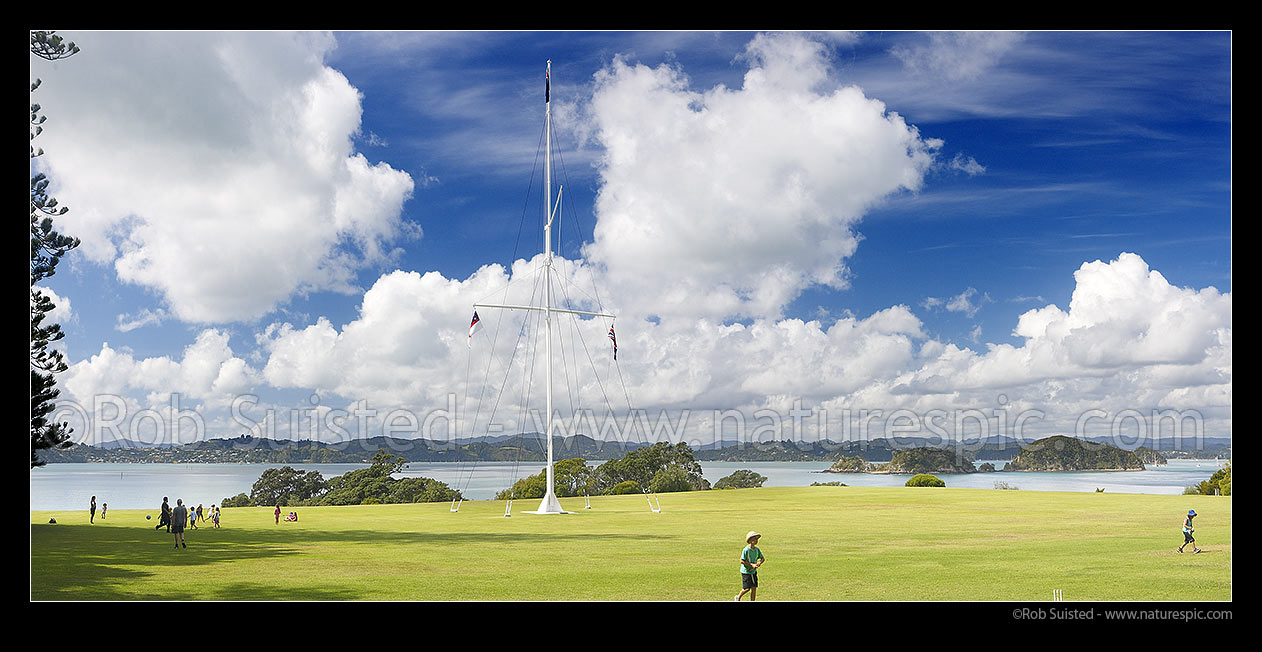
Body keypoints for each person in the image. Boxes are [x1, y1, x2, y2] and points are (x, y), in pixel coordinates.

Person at [734, 531, 765, 601]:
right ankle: (738, 598)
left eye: (756, 539)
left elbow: (762, 558)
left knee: (754, 588)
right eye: (754, 539)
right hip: (746, 572)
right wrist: (751, 565)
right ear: (750, 540)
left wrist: (759, 563)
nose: (756, 540)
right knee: (747, 588)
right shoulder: (746, 550)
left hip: (753, 572)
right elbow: (741, 561)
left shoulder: (757, 550)